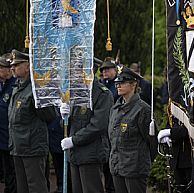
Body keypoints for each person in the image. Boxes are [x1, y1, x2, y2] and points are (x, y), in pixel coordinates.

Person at [60, 58, 114, 193]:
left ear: (89, 71)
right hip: (75, 153)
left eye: (77, 71)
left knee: (91, 189)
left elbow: (99, 125)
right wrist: (63, 116)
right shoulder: (75, 93)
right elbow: (68, 126)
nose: (74, 75)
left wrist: (74, 140)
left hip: (91, 152)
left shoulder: (101, 93)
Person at [8, 49, 57, 193]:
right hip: (18, 146)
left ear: (28, 66)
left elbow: (49, 115)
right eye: (12, 65)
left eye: (16, 65)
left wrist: (40, 96)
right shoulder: (18, 87)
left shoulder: (36, 88)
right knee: (22, 187)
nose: (12, 68)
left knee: (36, 186)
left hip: (32, 147)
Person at [108, 65, 157, 193]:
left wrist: (143, 161)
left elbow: (152, 141)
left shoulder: (143, 109)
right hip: (117, 165)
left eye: (122, 82)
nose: (118, 85)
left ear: (133, 85)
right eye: (117, 82)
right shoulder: (116, 108)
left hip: (135, 168)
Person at [98, 56, 117, 193]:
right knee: (105, 163)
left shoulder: (117, 85)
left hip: (115, 126)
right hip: (103, 128)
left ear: (115, 70)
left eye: (108, 69)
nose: (105, 72)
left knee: (113, 163)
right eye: (103, 70)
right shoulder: (101, 84)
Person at [0, 53, 16, 193]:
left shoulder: (14, 86)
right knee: (7, 169)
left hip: (12, 136)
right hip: (3, 135)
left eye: (1, 68)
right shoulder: (3, 84)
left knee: (13, 169)